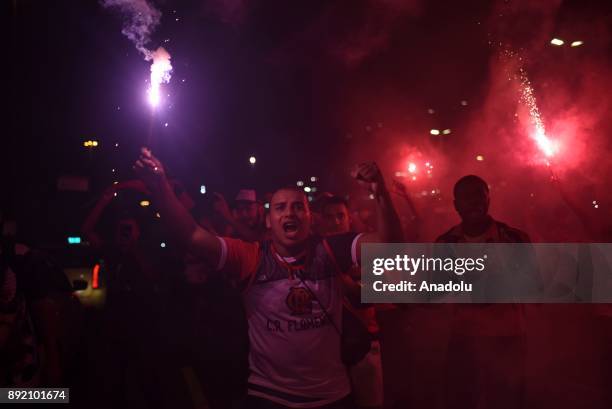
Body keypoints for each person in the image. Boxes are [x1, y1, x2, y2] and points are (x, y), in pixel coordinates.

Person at [134, 148, 403, 408]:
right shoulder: (250, 258)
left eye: (298, 207)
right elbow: (192, 235)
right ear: (268, 221)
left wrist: (381, 193)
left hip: (332, 396)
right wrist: (160, 187)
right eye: (280, 208)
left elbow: (389, 247)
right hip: (270, 397)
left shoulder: (331, 250)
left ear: (310, 218)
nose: (289, 213)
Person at [436, 175, 529, 409]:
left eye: (479, 194)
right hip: (464, 338)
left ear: (488, 199)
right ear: (456, 204)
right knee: (462, 400)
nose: (473, 201)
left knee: (508, 399)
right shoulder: (445, 244)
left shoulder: (514, 239)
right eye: (466, 197)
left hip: (506, 337)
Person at [320, 195, 384, 409]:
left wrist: (345, 282)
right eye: (330, 217)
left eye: (340, 216)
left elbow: (373, 294)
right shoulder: (315, 252)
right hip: (329, 349)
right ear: (321, 220)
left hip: (365, 342)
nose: (336, 222)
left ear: (349, 218)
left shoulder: (362, 251)